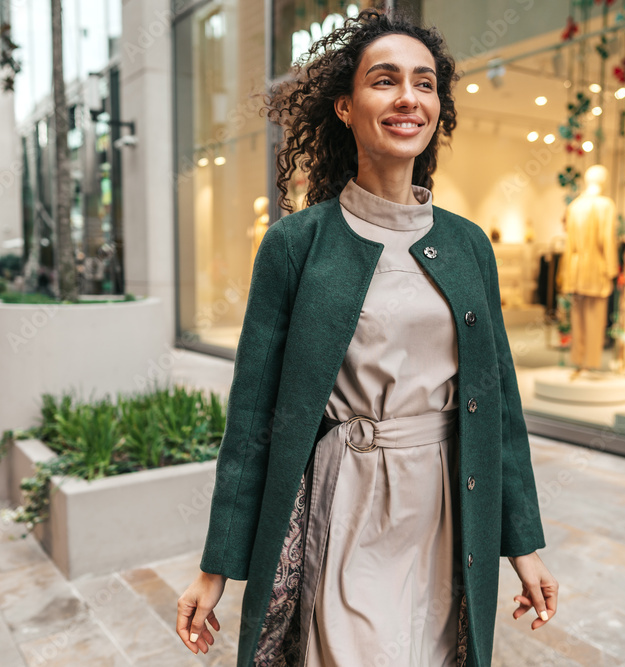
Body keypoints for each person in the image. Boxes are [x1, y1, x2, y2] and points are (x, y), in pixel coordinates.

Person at [176, 9, 558, 667]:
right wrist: (217, 567)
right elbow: (252, 421)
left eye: (425, 83)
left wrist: (523, 542)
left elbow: (500, 403)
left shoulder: (468, 244)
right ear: (346, 107)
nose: (409, 97)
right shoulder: (296, 245)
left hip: (448, 506)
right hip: (349, 501)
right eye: (385, 81)